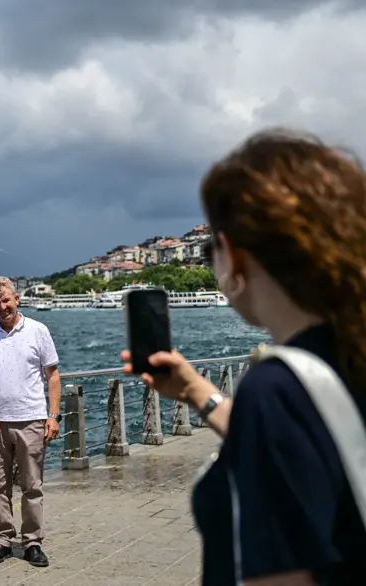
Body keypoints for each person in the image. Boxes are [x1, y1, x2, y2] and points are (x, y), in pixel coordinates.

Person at [121, 128, 366, 585]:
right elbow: (305, 446)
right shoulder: (346, 354)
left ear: (233, 254)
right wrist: (197, 391)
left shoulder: (275, 391)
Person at [0, 276, 61, 567]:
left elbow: (53, 376)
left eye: (6, 300)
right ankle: (2, 540)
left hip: (31, 418)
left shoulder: (38, 330)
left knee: (32, 485)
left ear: (17, 299)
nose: (2, 306)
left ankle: (32, 542)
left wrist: (53, 415)